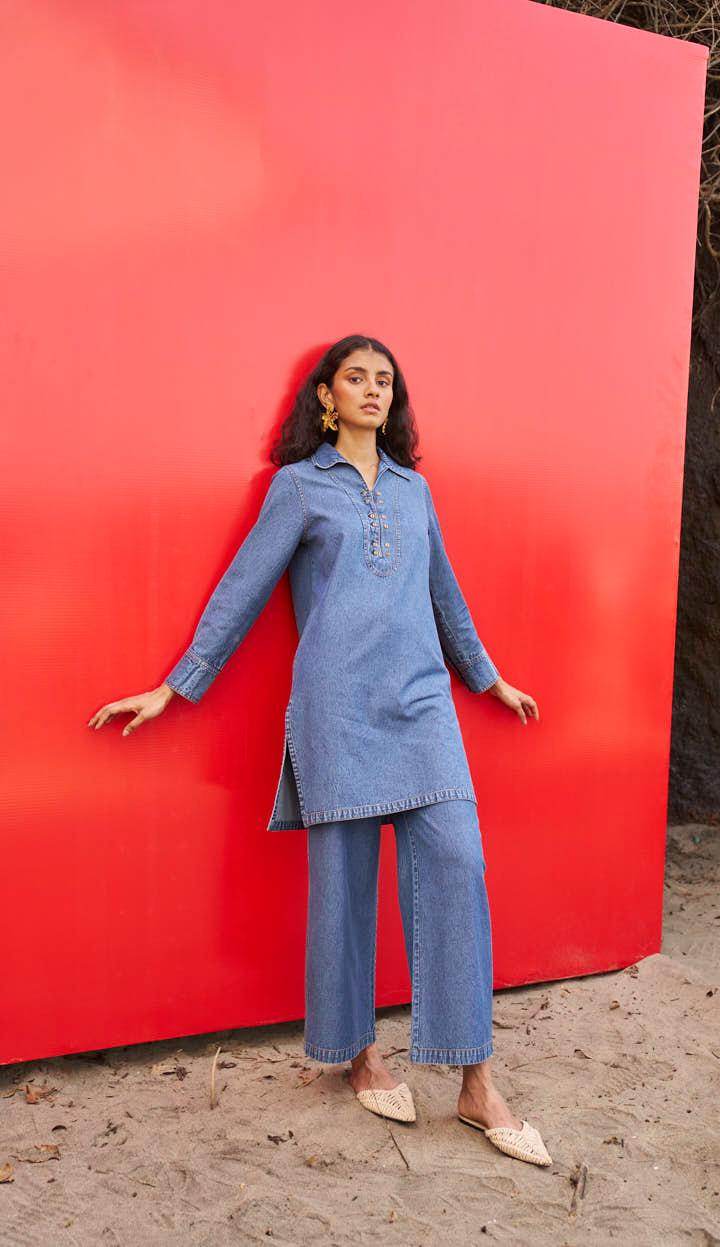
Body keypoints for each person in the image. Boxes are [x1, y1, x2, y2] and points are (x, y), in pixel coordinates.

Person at [88, 333, 551, 1166]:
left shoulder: (414, 490)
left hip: (422, 704)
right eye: (356, 377)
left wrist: (487, 678)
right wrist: (175, 686)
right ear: (327, 397)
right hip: (336, 710)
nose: (373, 389)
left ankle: (476, 1082)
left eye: (385, 380)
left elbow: (445, 593)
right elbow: (243, 587)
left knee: (459, 863)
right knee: (343, 887)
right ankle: (359, 1055)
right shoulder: (299, 487)